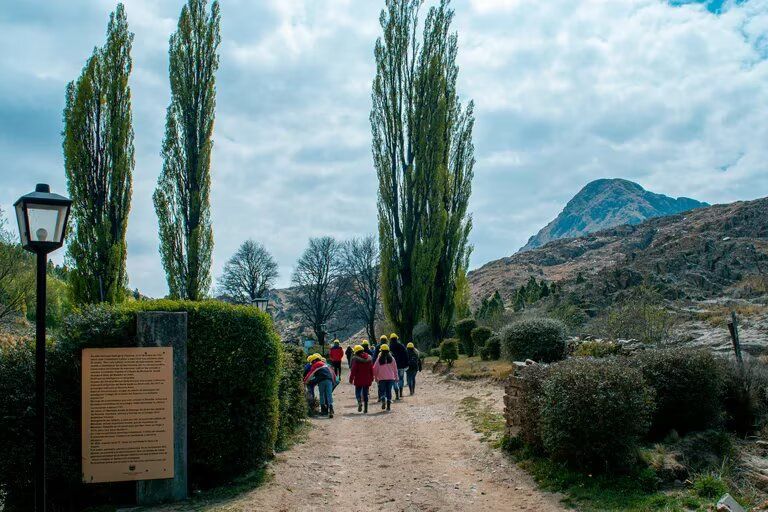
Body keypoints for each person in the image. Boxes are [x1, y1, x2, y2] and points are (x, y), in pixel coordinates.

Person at [349, 344, 374, 414]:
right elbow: (371, 369)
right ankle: (366, 409)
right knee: (365, 394)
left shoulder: (356, 359)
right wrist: (372, 377)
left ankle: (359, 401)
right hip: (367, 379)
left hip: (358, 379)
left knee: (358, 392)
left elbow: (353, 370)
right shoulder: (369, 358)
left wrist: (351, 379)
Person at [373, 344, 398, 411]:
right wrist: (396, 377)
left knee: (382, 390)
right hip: (390, 378)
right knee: (389, 391)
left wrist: (375, 377)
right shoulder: (392, 358)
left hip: (381, 378)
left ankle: (383, 398)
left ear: (381, 351)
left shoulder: (379, 359)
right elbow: (395, 369)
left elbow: (375, 369)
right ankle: (388, 406)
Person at [389, 333, 409, 400]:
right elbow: (406, 355)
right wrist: (406, 364)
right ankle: (400, 393)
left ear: (391, 339)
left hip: (392, 367)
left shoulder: (389, 347)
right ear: (397, 338)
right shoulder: (401, 346)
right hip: (401, 366)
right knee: (401, 379)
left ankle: (396, 394)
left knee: (394, 380)